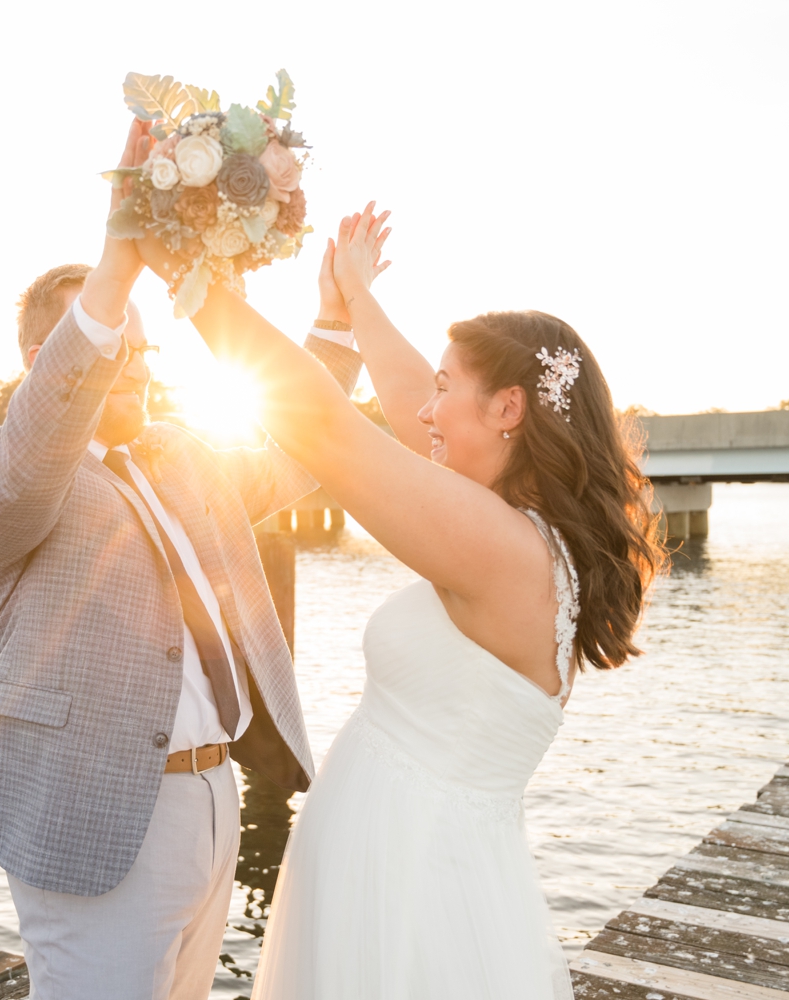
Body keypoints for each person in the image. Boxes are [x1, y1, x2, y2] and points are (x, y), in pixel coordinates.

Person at [135, 204, 662, 998]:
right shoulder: (519, 533)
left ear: (509, 409)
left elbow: (323, 426)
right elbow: (414, 398)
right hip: (412, 861)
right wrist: (355, 300)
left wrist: (189, 278)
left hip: (407, 887)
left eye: (450, 389)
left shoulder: (502, 550)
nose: (423, 409)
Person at [0, 121, 364, 1000]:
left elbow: (299, 451)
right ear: (40, 359)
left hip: (212, 798)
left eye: (137, 341)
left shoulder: (180, 454)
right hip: (93, 814)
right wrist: (118, 266)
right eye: (105, 339)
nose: (128, 357)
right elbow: (21, 482)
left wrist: (334, 326)